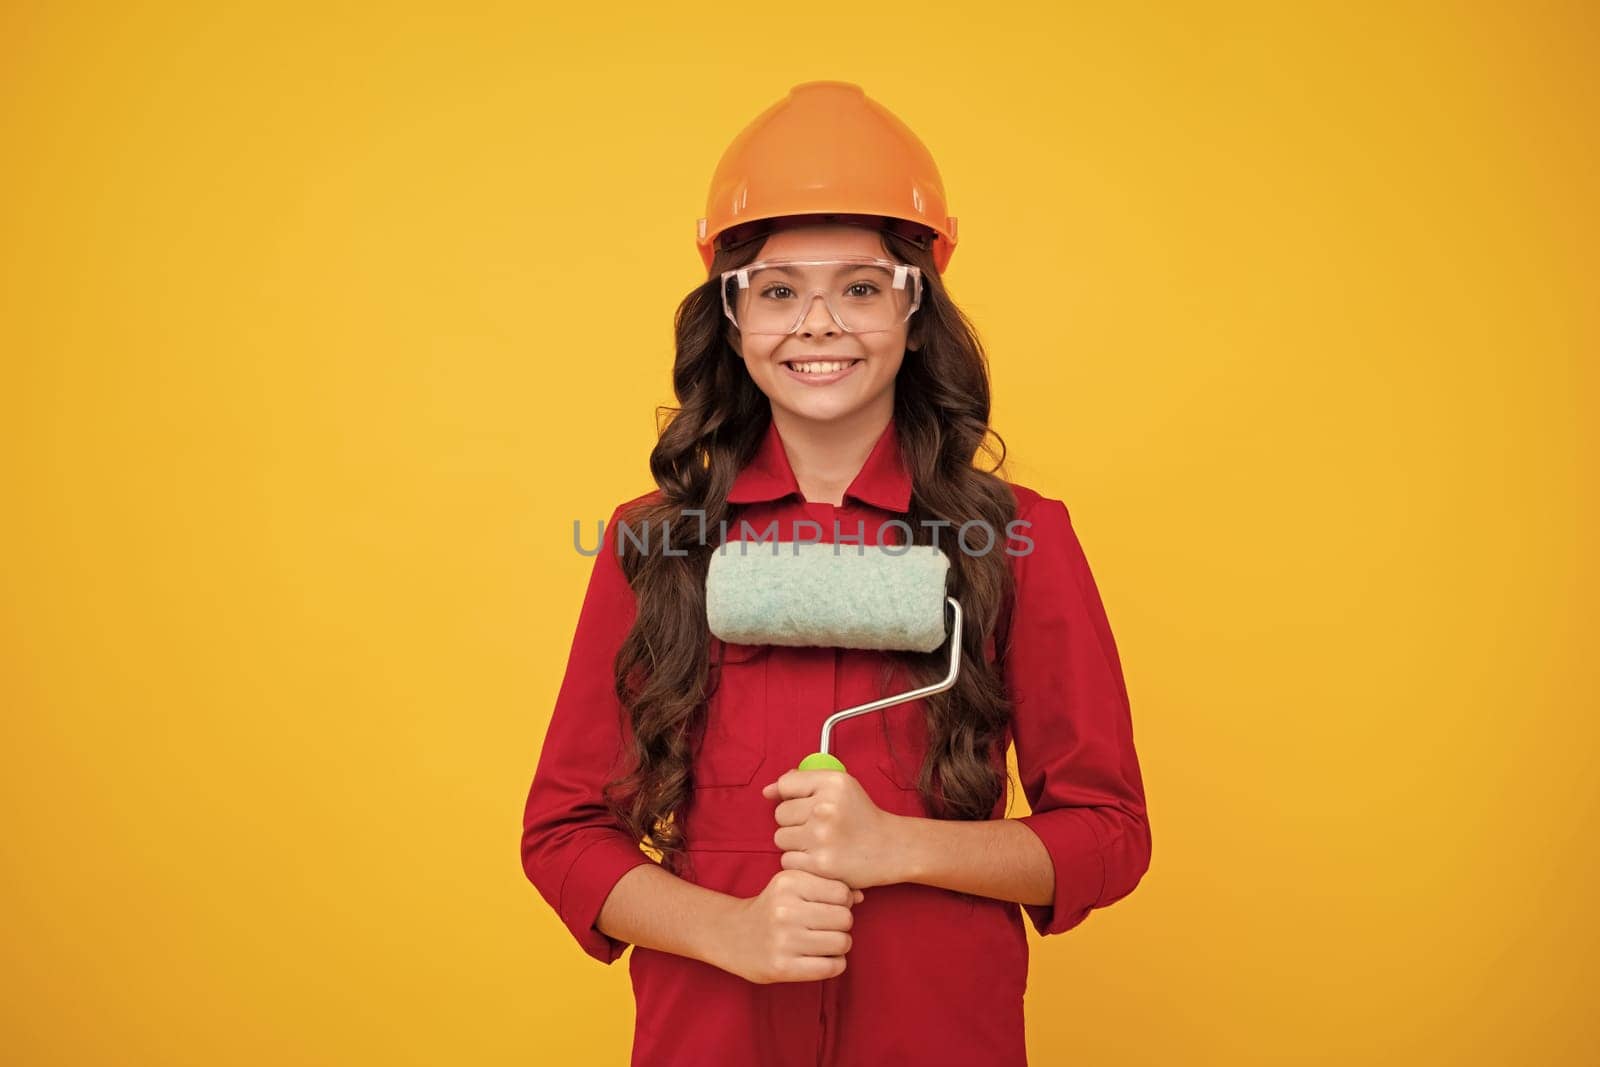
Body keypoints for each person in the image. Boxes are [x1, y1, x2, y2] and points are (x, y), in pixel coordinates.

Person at [520, 80, 1152, 1066]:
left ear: (913, 307)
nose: (818, 323)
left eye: (859, 286)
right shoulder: (653, 543)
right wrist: (726, 930)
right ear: (732, 317)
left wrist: (899, 846)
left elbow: (1108, 834)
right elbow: (563, 835)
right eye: (777, 289)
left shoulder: (1018, 538)